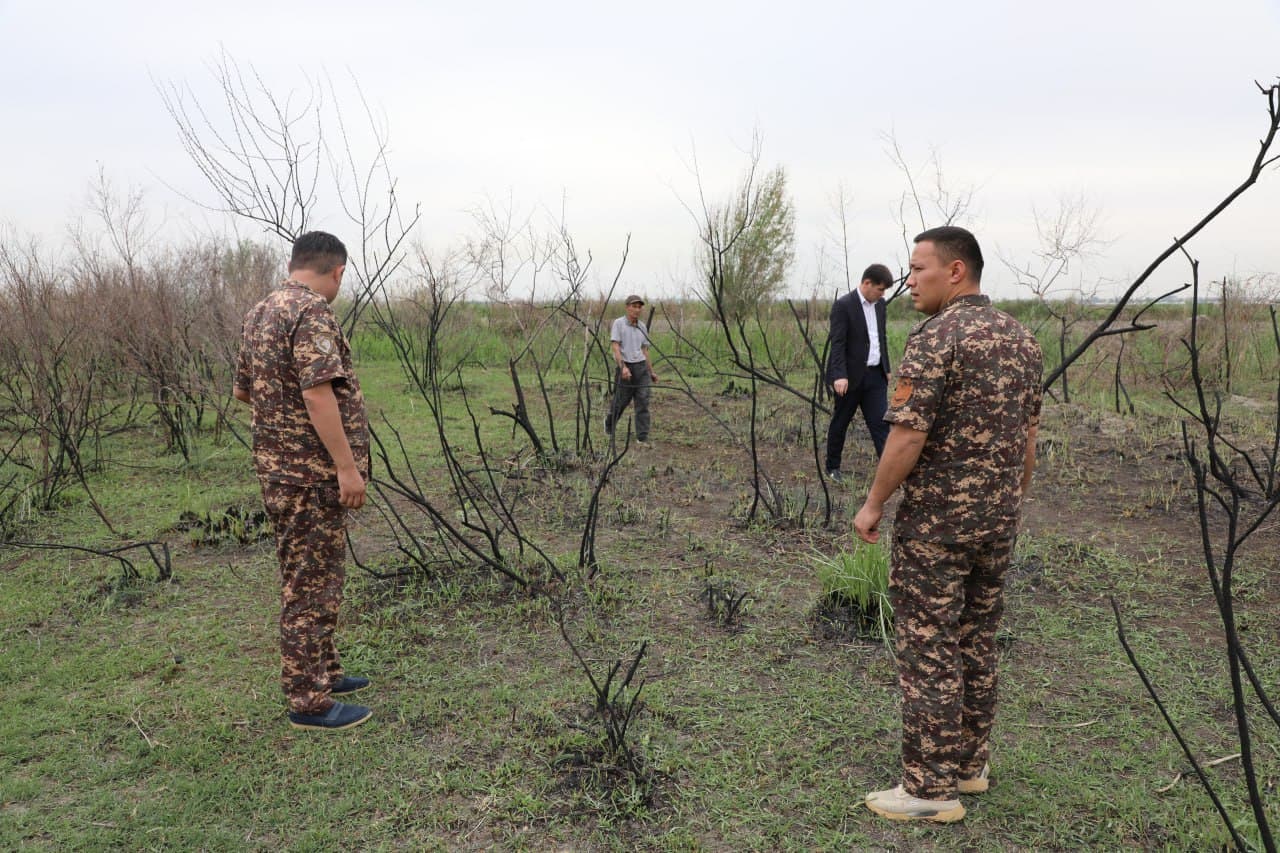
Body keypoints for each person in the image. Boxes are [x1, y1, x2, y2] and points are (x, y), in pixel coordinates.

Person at [853, 226, 1043, 823]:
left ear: (955, 271)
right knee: (976, 638)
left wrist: (874, 502)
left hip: (937, 525)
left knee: (929, 645)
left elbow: (908, 433)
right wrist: (1010, 500)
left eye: (919, 269)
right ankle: (968, 763)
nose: (909, 281)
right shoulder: (1022, 339)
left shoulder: (938, 338)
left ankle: (930, 791)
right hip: (998, 520)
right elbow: (1028, 438)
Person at [233, 231, 374, 732]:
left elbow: (245, 392)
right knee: (309, 586)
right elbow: (318, 395)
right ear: (336, 271)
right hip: (311, 477)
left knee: (317, 576)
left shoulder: (259, 312)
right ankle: (308, 701)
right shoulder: (312, 312)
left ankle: (326, 672)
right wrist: (345, 466)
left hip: (278, 471)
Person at [824, 263, 895, 481]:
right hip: (850, 377)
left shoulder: (880, 305)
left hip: (875, 376)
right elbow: (838, 343)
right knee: (841, 421)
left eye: (884, 291)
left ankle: (889, 471)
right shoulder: (843, 305)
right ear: (867, 283)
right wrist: (839, 375)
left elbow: (880, 337)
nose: (882, 294)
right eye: (880, 289)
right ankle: (832, 466)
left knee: (881, 423)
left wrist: (887, 367)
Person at [604, 294, 658, 444]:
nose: (637, 309)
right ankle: (609, 424)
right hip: (625, 367)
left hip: (641, 368)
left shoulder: (642, 327)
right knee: (620, 401)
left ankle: (642, 437)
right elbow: (615, 347)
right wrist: (623, 368)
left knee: (643, 401)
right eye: (634, 306)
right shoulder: (619, 324)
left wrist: (650, 371)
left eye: (639, 307)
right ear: (627, 307)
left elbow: (645, 350)